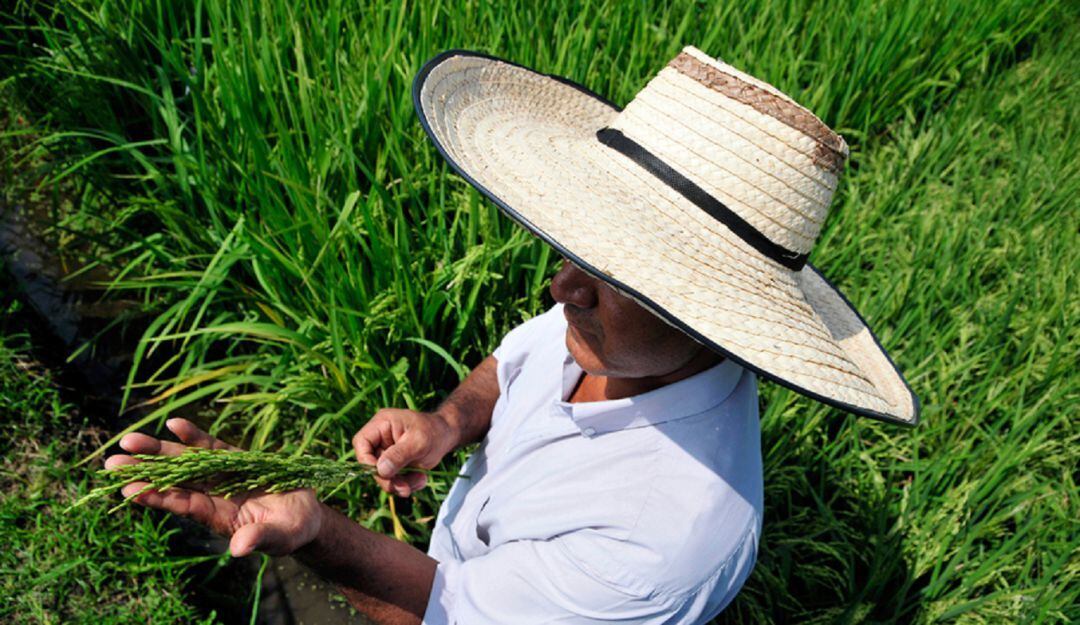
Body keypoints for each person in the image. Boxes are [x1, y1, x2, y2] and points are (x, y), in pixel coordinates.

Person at [106, 44, 919, 624]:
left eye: (608, 275)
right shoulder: (612, 328)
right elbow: (517, 357)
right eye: (575, 253)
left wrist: (315, 531)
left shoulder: (667, 538)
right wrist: (448, 421)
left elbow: (453, 609)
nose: (561, 285)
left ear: (709, 317)